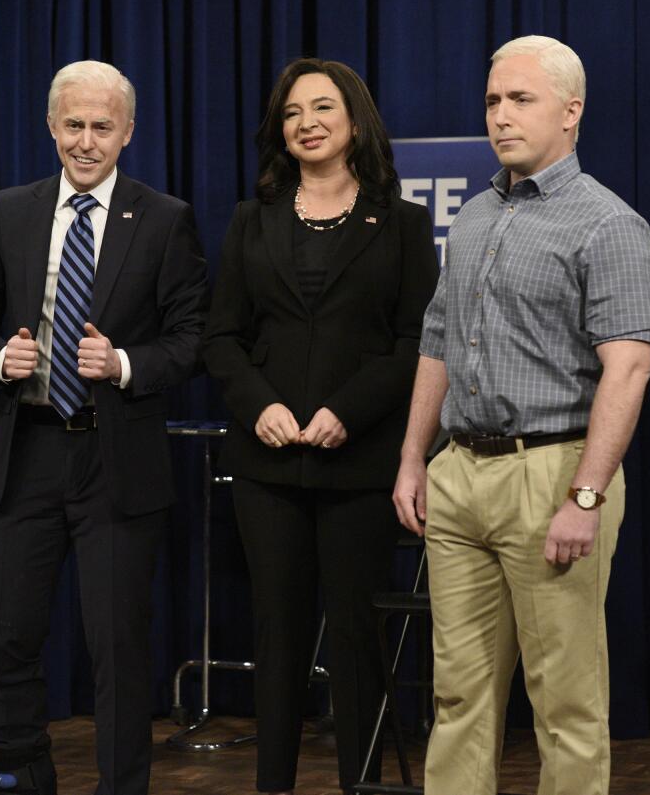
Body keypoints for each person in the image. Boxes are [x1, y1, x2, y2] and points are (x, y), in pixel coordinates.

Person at [392, 36, 650, 795]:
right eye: (492, 101)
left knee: (566, 704)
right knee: (457, 698)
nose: (500, 116)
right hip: (460, 474)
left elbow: (629, 367)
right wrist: (416, 457)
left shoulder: (608, 225)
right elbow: (437, 341)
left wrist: (586, 494)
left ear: (571, 112)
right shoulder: (475, 216)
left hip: (552, 475)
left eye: (520, 100)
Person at [0, 60, 207, 795]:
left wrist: (122, 361)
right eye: (73, 126)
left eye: (101, 127)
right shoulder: (11, 210)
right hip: (25, 450)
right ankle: (22, 782)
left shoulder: (164, 218)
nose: (85, 142)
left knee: (117, 649)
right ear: (51, 127)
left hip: (114, 458)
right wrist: (1, 355)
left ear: (127, 132)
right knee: (6, 640)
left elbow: (194, 339)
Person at [203, 58, 439, 794]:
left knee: (356, 640)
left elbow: (416, 341)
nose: (306, 122)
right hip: (268, 463)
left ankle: (359, 784)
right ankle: (272, 783)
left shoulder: (402, 223)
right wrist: (260, 404)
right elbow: (221, 338)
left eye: (323, 107)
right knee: (278, 638)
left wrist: (348, 410)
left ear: (355, 120)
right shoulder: (253, 219)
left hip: (359, 463)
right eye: (292, 111)